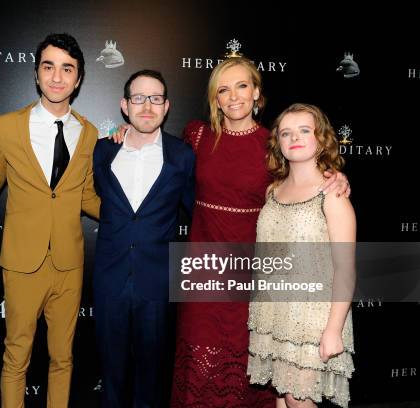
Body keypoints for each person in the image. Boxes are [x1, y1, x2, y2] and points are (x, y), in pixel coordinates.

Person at [170, 56, 350, 408]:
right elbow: (157, 157)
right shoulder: (197, 135)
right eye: (223, 89)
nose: (233, 96)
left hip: (253, 278)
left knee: (258, 375)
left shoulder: (274, 145)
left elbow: (307, 177)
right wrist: (125, 132)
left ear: (256, 93)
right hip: (202, 273)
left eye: (241, 86)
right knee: (200, 369)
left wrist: (338, 177)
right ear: (215, 99)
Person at [0, 33, 100, 407]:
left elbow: (86, 195)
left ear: (78, 78)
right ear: (36, 74)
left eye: (66, 68)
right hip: (22, 262)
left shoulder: (89, 133)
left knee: (63, 358)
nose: (57, 77)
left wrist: (135, 210)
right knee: (16, 356)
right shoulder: (5, 127)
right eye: (49, 67)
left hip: (69, 263)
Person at [92, 70, 195, 407]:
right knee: (112, 376)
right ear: (125, 105)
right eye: (138, 98)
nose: (147, 106)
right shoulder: (103, 151)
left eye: (155, 98)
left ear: (167, 106)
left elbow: (201, 211)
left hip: (158, 283)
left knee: (153, 379)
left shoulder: (182, 156)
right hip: (110, 281)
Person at [247, 103, 355, 408]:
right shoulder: (273, 191)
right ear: (278, 143)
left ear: (321, 138)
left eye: (305, 130)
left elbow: (345, 270)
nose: (295, 137)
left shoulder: (332, 194)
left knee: (298, 400)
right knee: (282, 399)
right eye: (286, 133)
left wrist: (333, 330)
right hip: (274, 314)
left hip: (313, 318)